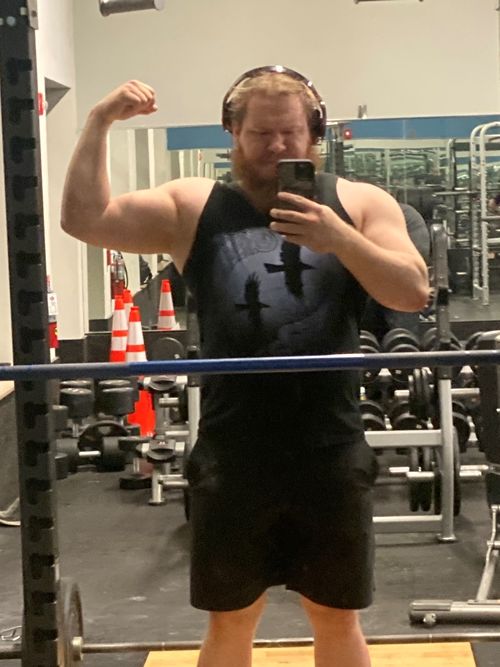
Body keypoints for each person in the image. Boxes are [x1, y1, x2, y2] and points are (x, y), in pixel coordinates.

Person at [61, 66, 429, 667]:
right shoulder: (191, 205)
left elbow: (412, 293)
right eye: (260, 134)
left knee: (337, 618)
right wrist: (99, 121)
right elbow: (84, 219)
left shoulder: (360, 203)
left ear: (314, 133)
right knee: (230, 621)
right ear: (232, 132)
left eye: (290, 133)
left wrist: (341, 239)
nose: (277, 146)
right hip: (233, 450)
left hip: (331, 446)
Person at [360, 202, 431, 341]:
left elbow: (409, 272)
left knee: (402, 337)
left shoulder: (407, 217)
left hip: (400, 286)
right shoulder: (358, 217)